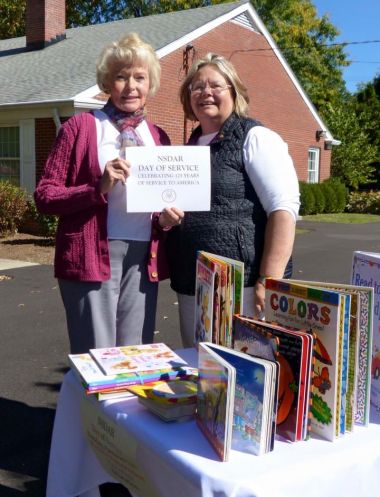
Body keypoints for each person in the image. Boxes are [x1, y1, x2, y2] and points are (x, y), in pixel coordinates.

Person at [34, 33, 180, 354]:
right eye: (121, 77)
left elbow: (163, 203)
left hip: (143, 257)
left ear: (150, 83)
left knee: (134, 354)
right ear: (107, 81)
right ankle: (90, 408)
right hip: (91, 255)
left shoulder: (158, 136)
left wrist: (167, 220)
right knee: (96, 355)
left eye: (139, 77)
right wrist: (97, 188)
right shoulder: (81, 128)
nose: (131, 86)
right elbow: (45, 196)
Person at [166, 53, 300, 348]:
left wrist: (270, 278)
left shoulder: (256, 138)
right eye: (197, 87)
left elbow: (283, 209)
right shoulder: (190, 148)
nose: (205, 93)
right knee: (204, 375)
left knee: (246, 379)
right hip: (195, 284)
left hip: (245, 287)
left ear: (234, 92)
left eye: (215, 85)